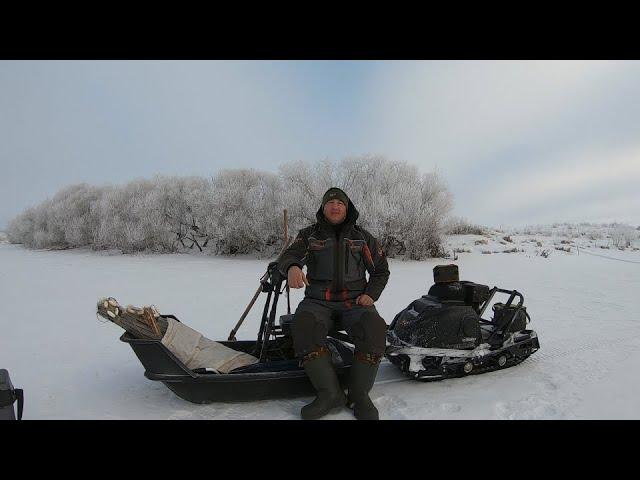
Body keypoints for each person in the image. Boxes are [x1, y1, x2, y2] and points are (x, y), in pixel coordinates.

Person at [277, 187, 390, 420]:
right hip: (318, 302)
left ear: (347, 208)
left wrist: (371, 294)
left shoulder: (362, 237)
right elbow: (289, 256)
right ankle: (329, 394)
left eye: (340, 202)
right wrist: (293, 267)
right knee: (304, 326)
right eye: (331, 203)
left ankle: (359, 395)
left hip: (355, 302)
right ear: (323, 207)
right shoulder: (309, 235)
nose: (335, 206)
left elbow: (381, 270)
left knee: (374, 328)